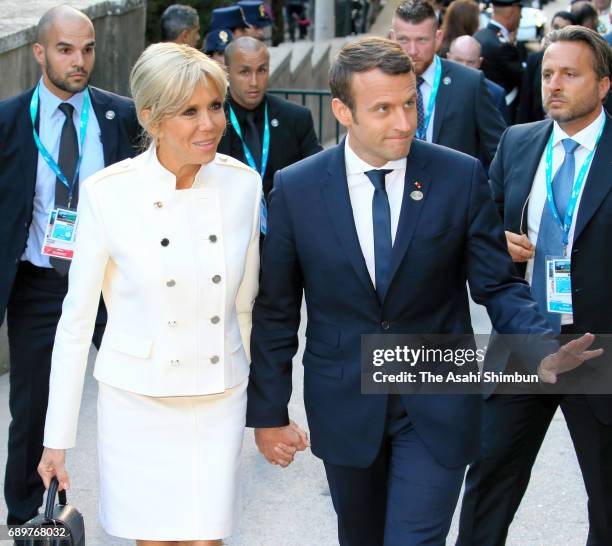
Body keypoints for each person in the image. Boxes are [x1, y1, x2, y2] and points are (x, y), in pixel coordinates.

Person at [245, 36, 600, 546]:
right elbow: (277, 311)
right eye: (384, 109)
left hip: (437, 390)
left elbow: (496, 284)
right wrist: (269, 413)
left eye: (410, 103)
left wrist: (540, 344)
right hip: (346, 399)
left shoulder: (459, 176)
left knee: (416, 539)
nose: (404, 122)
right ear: (343, 111)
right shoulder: (297, 188)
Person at [36, 42, 281, 546]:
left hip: (219, 393)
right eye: (189, 112)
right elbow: (77, 322)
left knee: (207, 538)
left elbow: (246, 307)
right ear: (150, 116)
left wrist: (266, 410)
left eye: (215, 106)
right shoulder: (108, 192)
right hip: (137, 400)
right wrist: (56, 440)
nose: (209, 124)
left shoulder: (243, 185)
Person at [458, 26, 612, 546]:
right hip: (525, 339)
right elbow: (487, 230)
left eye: (571, 74)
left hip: (599, 347)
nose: (555, 85)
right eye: (548, 73)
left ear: (604, 85)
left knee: (607, 498)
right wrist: (498, 241)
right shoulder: (518, 141)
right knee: (489, 481)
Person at [0, 5, 139, 526]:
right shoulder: (9, 121)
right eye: (65, 49)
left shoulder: (122, 115)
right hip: (40, 284)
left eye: (87, 49)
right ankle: (25, 518)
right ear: (40, 52)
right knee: (32, 409)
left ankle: (144, 505)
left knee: (137, 390)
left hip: (111, 283)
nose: (79, 61)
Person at [390, 0, 505, 164]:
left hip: (455, 188)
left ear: (438, 38)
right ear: (392, 38)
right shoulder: (379, 83)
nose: (413, 51)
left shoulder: (469, 83)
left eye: (422, 40)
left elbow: (499, 151)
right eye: (403, 40)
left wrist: (483, 188)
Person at [218, 37, 321, 203]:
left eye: (261, 70)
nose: (254, 82)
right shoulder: (211, 121)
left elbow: (318, 173)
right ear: (227, 73)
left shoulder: (296, 118)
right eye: (245, 72)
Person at [474, 0, 525, 121]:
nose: (521, 17)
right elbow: (523, 78)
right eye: (519, 12)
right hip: (503, 112)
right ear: (512, 12)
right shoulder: (502, 45)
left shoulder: (479, 35)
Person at [447, 35, 511, 124]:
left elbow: (501, 135)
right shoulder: (433, 86)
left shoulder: (495, 94)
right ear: (448, 58)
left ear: (479, 62)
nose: (464, 66)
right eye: (458, 60)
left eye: (471, 62)